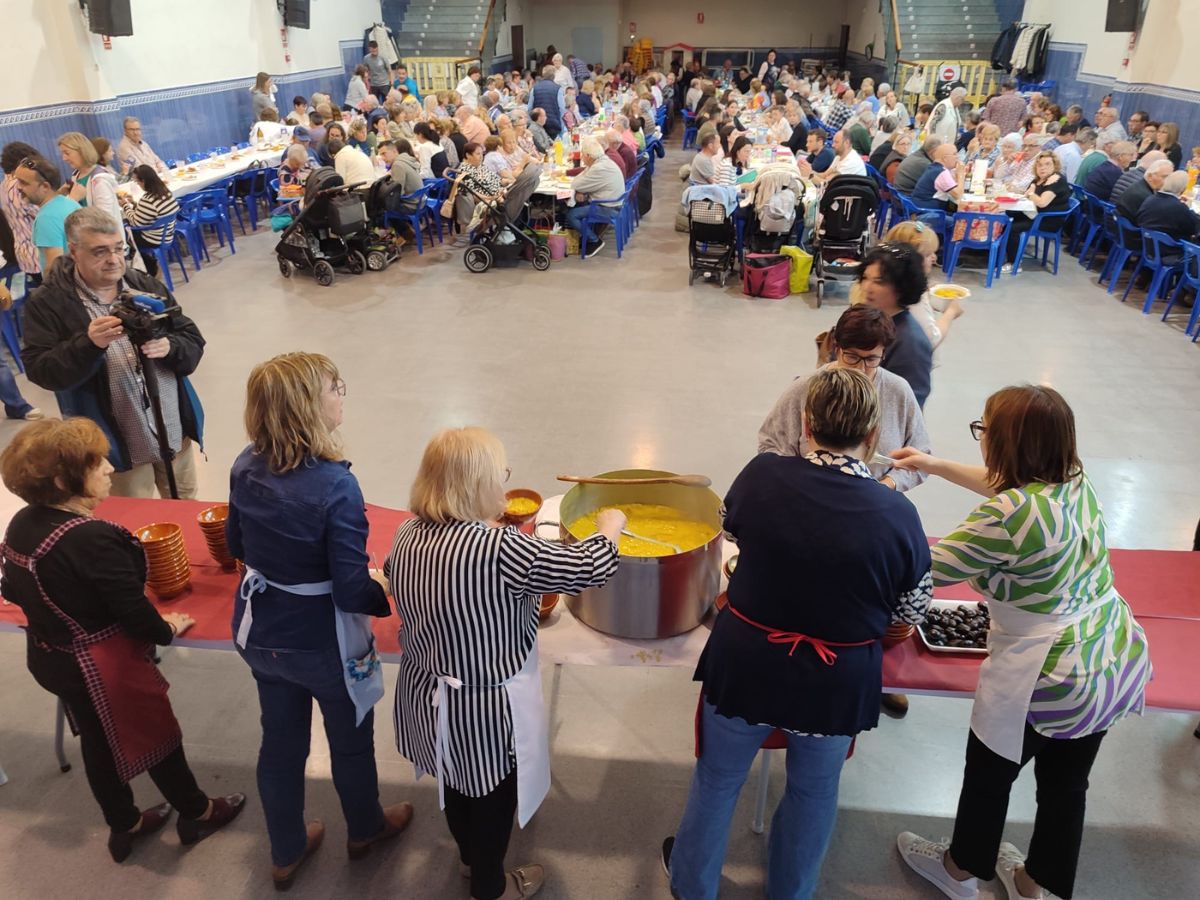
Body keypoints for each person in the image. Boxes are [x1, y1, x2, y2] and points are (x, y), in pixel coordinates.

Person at [664, 366, 932, 900]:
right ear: (873, 435)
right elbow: (911, 607)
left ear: (806, 423)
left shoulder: (761, 476)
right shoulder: (898, 515)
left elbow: (733, 533)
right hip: (835, 683)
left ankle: (692, 885)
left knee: (718, 779)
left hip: (747, 665)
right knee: (813, 792)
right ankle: (790, 891)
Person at [893, 385, 1151, 900]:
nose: (981, 441)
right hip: (1110, 653)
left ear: (1006, 444)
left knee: (991, 772)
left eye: (984, 431)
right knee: (1066, 785)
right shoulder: (1074, 482)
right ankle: (1038, 883)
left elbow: (916, 570)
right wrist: (934, 464)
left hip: (1048, 670)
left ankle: (960, 870)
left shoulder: (1004, 518)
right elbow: (1008, 489)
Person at [388, 426, 623, 900]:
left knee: (453, 783)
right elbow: (586, 569)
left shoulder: (408, 532)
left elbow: (397, 579)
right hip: (485, 705)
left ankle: (471, 861)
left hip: (427, 689)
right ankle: (491, 886)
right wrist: (609, 529)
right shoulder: (501, 548)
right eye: (500, 475)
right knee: (493, 796)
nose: (504, 482)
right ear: (476, 486)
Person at [0, 417, 245, 863]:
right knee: (158, 736)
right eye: (97, 464)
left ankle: (125, 824)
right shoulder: (92, 539)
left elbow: (11, 591)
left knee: (96, 741)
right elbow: (136, 615)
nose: (110, 468)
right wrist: (166, 627)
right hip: (102, 666)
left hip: (51, 659)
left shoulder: (21, 525)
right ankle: (198, 811)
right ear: (62, 480)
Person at [228, 352, 412, 889]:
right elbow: (352, 586)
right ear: (309, 407)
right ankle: (365, 828)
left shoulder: (244, 463)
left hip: (259, 631)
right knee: (350, 740)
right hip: (322, 642)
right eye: (336, 387)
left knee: (280, 744)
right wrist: (386, 594)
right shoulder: (335, 485)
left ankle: (285, 850)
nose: (342, 395)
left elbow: (237, 543)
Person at [22, 207, 206, 499]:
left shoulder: (143, 285)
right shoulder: (48, 303)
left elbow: (191, 337)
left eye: (119, 248)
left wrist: (172, 347)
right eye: (100, 252)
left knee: (186, 503)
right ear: (74, 251)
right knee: (138, 520)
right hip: (116, 446)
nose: (114, 260)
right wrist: (89, 344)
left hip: (172, 428)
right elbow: (41, 370)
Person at [759, 305, 931, 491]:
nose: (860, 368)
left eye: (871, 360)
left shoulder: (898, 391)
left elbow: (921, 458)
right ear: (837, 348)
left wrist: (884, 488)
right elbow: (770, 445)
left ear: (883, 355)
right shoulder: (804, 388)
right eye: (852, 357)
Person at [858, 243, 933, 408]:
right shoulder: (868, 319)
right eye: (865, 278)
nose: (867, 287)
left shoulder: (911, 342)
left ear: (901, 287)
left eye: (878, 281)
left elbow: (907, 406)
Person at [879, 220, 964, 349]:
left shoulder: (884, 281)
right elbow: (930, 340)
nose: (934, 258)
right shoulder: (912, 297)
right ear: (910, 260)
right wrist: (951, 312)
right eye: (928, 254)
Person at [1003, 151, 1072, 270]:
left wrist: (1030, 193)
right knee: (1005, 216)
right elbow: (1027, 194)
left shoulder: (1057, 180)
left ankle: (1014, 263)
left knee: (1013, 228)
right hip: (1034, 214)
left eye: (1047, 164)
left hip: (1047, 220)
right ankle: (998, 253)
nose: (1042, 168)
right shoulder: (1038, 179)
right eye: (1039, 165)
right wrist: (1025, 192)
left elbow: (1042, 202)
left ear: (1055, 166)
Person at [14, 156, 80, 271]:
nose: (18, 187)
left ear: (45, 186)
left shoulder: (46, 218)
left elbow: (54, 269)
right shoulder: (69, 203)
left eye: (24, 183)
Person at [565, 137, 624, 258]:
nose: (581, 157)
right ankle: (583, 236)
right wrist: (583, 191)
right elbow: (585, 179)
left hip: (608, 208)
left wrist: (582, 191)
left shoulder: (598, 168)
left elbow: (576, 183)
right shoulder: (602, 161)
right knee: (578, 203)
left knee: (571, 215)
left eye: (583, 155)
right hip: (612, 202)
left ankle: (594, 240)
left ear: (589, 156)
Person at [119, 165, 180, 279]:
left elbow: (136, 222)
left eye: (137, 182)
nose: (138, 185)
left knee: (126, 237)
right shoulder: (166, 192)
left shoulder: (147, 199)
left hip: (154, 239)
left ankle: (148, 267)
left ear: (144, 181)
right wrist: (134, 204)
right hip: (168, 234)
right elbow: (147, 214)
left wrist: (125, 206)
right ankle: (149, 264)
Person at [58, 132, 122, 239]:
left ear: (82, 152)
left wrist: (71, 201)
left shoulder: (100, 181)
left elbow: (105, 219)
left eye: (67, 153)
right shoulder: (76, 176)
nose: (64, 158)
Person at [0, 141, 44, 284]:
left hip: (25, 252)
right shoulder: (19, 186)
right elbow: (43, 214)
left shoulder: (4, 185)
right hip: (39, 253)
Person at [1135, 170, 1200, 246]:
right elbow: (1193, 229)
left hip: (1147, 244)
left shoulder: (1150, 198)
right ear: (1183, 189)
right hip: (1171, 250)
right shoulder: (1179, 208)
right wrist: (1189, 210)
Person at [1115, 158, 1173, 224]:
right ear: (1150, 176)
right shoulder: (1146, 197)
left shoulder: (1139, 185)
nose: (1168, 181)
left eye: (1170, 178)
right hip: (1130, 232)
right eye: (1164, 177)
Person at [800, 128, 866, 184]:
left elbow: (827, 184)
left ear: (847, 143)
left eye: (836, 142)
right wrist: (809, 170)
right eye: (833, 142)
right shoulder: (839, 156)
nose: (832, 145)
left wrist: (810, 174)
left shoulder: (851, 162)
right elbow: (825, 175)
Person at [911, 142, 965, 212]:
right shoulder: (941, 172)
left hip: (920, 207)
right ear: (945, 158)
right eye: (954, 154)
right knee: (960, 220)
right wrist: (961, 174)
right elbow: (958, 195)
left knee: (954, 210)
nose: (957, 157)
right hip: (928, 213)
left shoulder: (934, 168)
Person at [378, 140, 423, 213]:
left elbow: (398, 193)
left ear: (394, 151)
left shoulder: (397, 165)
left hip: (412, 205)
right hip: (420, 201)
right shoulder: (406, 159)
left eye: (384, 154)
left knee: (380, 208)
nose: (382, 158)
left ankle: (402, 224)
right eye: (381, 155)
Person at [531, 66, 565, 139]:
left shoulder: (535, 88)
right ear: (554, 75)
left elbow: (530, 108)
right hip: (553, 123)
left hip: (538, 123)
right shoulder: (558, 88)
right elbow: (562, 109)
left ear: (543, 74)